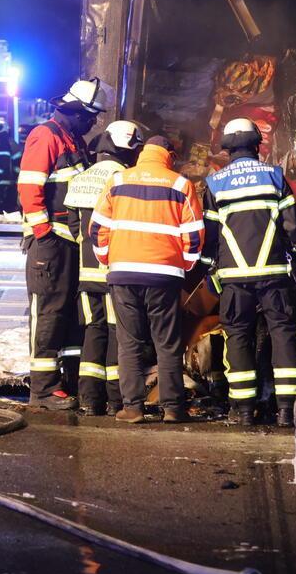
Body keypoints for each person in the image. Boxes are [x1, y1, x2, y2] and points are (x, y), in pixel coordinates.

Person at [92, 134, 205, 424]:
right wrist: (184, 265)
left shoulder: (118, 180)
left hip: (123, 273)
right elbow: (194, 234)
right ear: (169, 155)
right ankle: (173, 408)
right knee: (166, 343)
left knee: (129, 342)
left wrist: (108, 258)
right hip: (164, 275)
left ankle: (132, 408)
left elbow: (97, 228)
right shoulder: (180, 184)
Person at [204, 118, 296, 426]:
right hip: (274, 276)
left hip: (234, 279)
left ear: (227, 148)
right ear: (256, 144)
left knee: (238, 336)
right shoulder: (274, 176)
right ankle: (288, 410)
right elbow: (293, 226)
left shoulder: (215, 183)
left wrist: (209, 269)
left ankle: (244, 410)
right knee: (284, 334)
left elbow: (210, 236)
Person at [16, 78, 102, 410]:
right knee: (49, 314)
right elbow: (30, 186)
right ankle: (42, 389)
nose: (92, 123)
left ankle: (66, 382)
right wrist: (43, 233)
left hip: (68, 243)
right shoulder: (46, 136)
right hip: (51, 244)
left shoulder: (72, 139)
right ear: (76, 112)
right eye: (90, 117)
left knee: (68, 315)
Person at [67, 120, 141, 415]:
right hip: (114, 273)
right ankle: (115, 400)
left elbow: (75, 228)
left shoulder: (81, 178)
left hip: (86, 275)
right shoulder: (124, 179)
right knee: (115, 332)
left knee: (93, 331)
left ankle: (89, 399)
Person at [0, 120, 18, 213]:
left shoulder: (2, 143)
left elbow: (6, 163)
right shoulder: (10, 143)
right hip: (5, 179)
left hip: (2, 179)